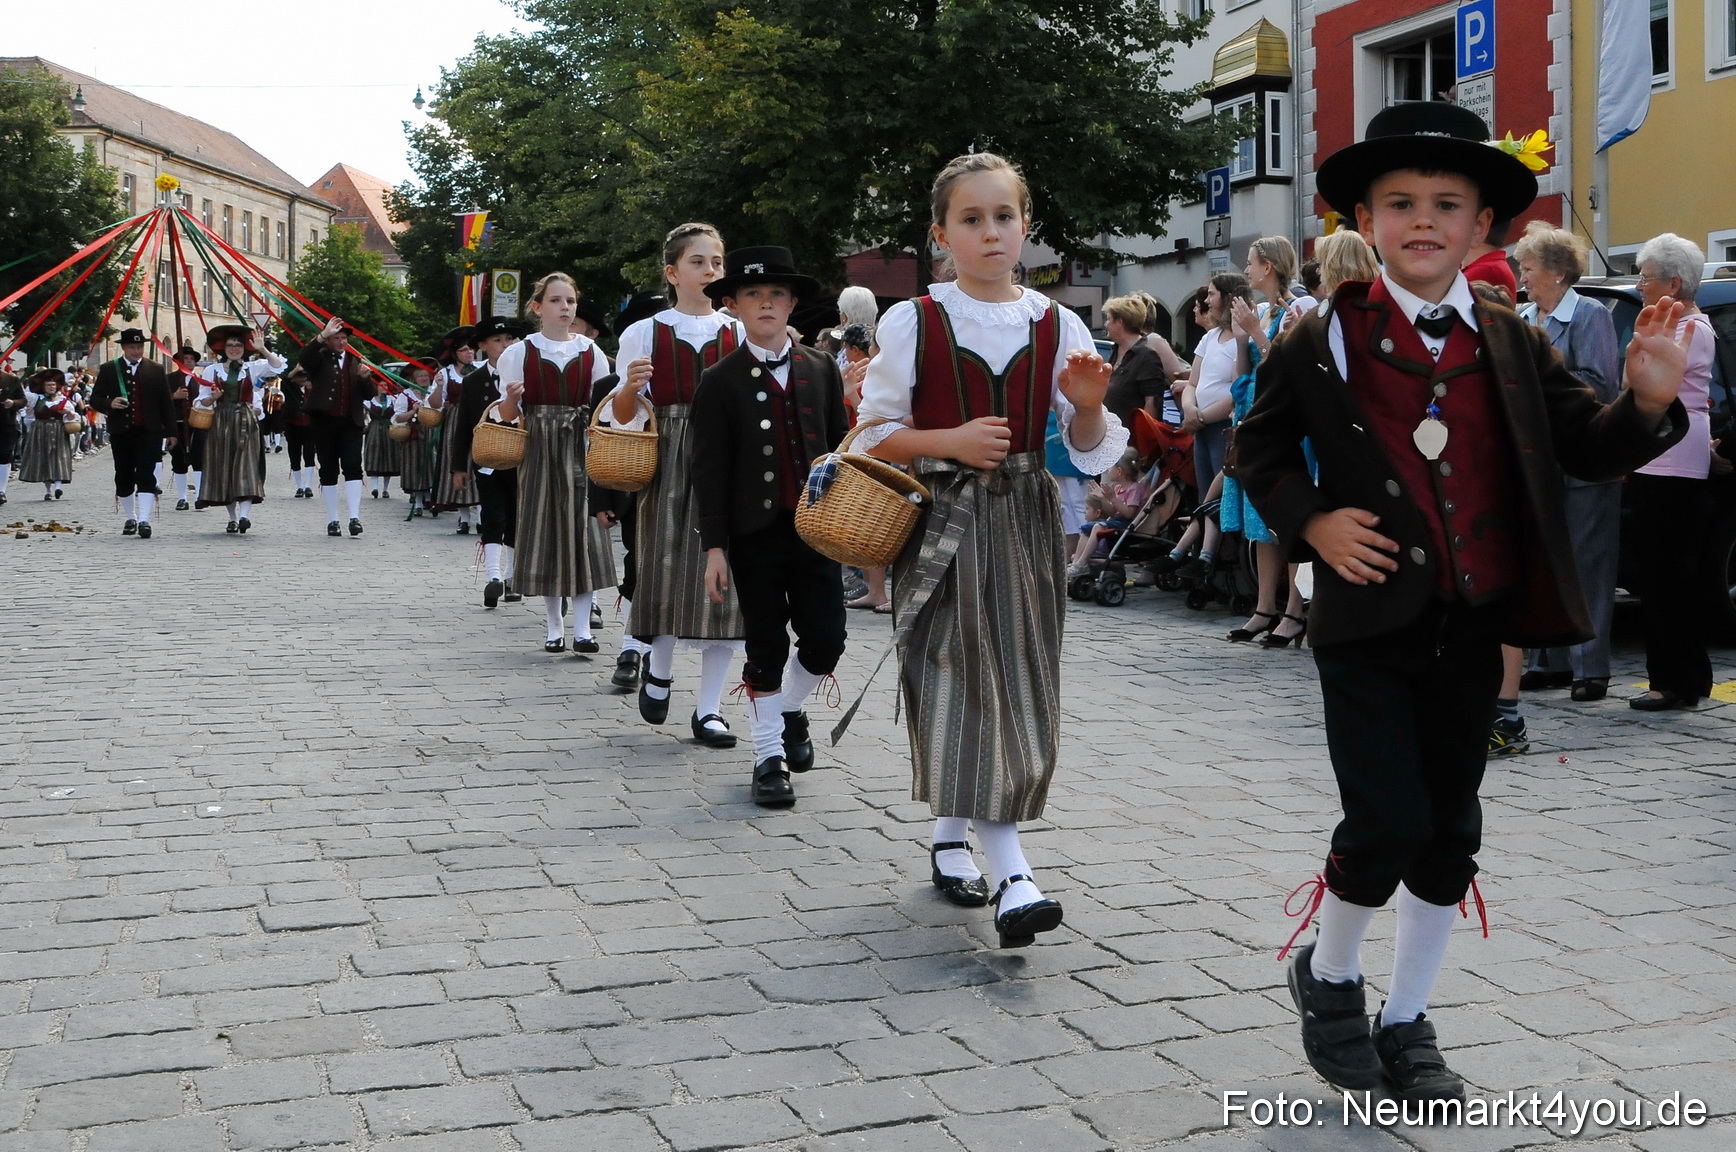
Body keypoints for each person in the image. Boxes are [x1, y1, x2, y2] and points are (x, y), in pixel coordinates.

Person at [1236, 101, 1689, 1103]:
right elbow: (1257, 451)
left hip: (1474, 621)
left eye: (1447, 204)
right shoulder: (1323, 336)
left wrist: (1649, 402)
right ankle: (1331, 974)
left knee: (1449, 832)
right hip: (1364, 621)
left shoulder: (1510, 338)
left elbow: (1587, 446)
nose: (1423, 220)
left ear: (1482, 226)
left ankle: (1407, 1020)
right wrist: (1313, 523)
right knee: (1385, 819)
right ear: (1363, 220)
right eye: (1399, 203)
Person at [856, 152, 1126, 947]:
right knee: (959, 674)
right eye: (971, 219)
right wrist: (950, 440)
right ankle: (1014, 874)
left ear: (1025, 225)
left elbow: (1087, 449)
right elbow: (873, 434)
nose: (991, 232)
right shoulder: (915, 320)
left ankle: (951, 838)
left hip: (1026, 520)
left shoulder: (1057, 323)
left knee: (1015, 678)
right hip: (942, 519)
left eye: (1003, 216)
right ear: (942, 235)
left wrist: (1087, 407)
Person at [690, 246, 851, 807]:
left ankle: (787, 711)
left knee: (827, 639)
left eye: (777, 294)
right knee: (765, 644)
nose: (766, 303)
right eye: (753, 294)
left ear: (792, 304)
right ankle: (768, 757)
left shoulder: (821, 368)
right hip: (753, 535)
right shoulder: (719, 380)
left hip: (816, 529)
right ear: (733, 305)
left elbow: (841, 448)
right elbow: (708, 470)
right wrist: (714, 549)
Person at [610, 224, 747, 748]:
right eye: (698, 262)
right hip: (667, 456)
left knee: (727, 581)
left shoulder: (737, 331)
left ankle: (709, 709)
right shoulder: (645, 332)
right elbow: (622, 415)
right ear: (672, 273)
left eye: (717, 262)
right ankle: (660, 666)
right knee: (665, 565)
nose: (711, 270)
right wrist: (630, 388)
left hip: (727, 456)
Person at [1514, 222, 1624, 707]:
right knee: (1544, 560)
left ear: (1557, 272)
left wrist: (1547, 366)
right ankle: (1547, 661)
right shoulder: (1523, 316)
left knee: (1588, 564)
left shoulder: (1589, 314)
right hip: (1536, 460)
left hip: (1583, 459)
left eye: (1528, 268)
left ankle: (1590, 667)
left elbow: (1602, 386)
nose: (1522, 277)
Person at [495, 273, 616, 654]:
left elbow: (604, 405)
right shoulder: (519, 353)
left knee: (583, 531)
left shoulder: (591, 351)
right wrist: (512, 398)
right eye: (556, 300)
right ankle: (553, 625)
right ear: (538, 307)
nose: (565, 307)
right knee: (547, 530)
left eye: (570, 301)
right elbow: (507, 415)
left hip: (580, 444)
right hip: (539, 446)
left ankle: (583, 629)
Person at [1627, 233, 1717, 712]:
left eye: (1646, 277)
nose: (1640, 285)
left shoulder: (1689, 328)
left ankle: (1672, 680)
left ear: (1674, 283)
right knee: (1666, 572)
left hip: (1671, 457)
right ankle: (1686, 675)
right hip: (1663, 453)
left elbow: (1647, 383)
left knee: (1666, 573)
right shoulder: (1679, 324)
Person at [1224, 237, 1307, 645]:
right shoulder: (1260, 311)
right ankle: (1264, 607)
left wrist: (1256, 333)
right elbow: (1244, 372)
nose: (1246, 270)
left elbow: (1285, 366)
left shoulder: (1295, 309)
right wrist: (1242, 339)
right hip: (1255, 413)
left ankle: (1293, 610)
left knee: (1285, 516)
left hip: (1282, 419)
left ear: (1268, 266)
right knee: (1259, 520)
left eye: (1251, 262)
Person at [449, 317, 523, 607]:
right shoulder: (473, 381)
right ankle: (493, 576)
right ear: (482, 346)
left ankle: (512, 576)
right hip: (487, 458)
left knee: (516, 516)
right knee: (493, 515)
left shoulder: (524, 374)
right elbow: (463, 424)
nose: (504, 345)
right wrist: (459, 466)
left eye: (509, 340)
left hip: (520, 458)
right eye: (497, 341)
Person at [194, 323, 283, 534]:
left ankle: (244, 516)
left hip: (246, 421)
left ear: (245, 348)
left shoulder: (252, 368)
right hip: (221, 422)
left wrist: (263, 349)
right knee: (226, 468)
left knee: (246, 467)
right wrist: (213, 398)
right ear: (223, 348)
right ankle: (233, 518)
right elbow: (201, 401)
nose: (234, 349)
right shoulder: (212, 370)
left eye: (238, 345)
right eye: (230, 345)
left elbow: (278, 366)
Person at [90, 328, 176, 539]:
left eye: (139, 347)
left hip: (149, 431)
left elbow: (166, 403)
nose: (136, 351)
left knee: (146, 474)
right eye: (132, 347)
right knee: (124, 475)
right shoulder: (110, 369)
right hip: (122, 432)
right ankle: (131, 517)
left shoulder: (155, 369)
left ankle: (145, 520)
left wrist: (171, 431)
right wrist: (110, 403)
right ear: (124, 348)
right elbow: (95, 399)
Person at [297, 316, 377, 537]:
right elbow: (304, 357)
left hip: (351, 422)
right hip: (324, 422)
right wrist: (322, 334)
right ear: (328, 341)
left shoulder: (355, 361)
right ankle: (333, 519)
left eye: (344, 338)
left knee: (353, 466)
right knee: (328, 469)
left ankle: (354, 517)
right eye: (336, 338)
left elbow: (369, 394)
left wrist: (365, 379)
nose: (342, 342)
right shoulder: (319, 359)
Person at [1180, 274, 1249, 493]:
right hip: (1201, 429)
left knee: (1220, 494)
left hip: (1221, 427)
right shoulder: (1210, 337)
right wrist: (1189, 409)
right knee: (1205, 493)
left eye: (1212, 295)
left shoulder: (1242, 339)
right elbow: (1192, 383)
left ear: (1228, 297)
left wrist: (1200, 417)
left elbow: (1238, 390)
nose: (1207, 301)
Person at [430, 331, 481, 532]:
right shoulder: (446, 373)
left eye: (471, 349)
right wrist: (438, 386)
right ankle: (464, 519)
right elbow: (435, 404)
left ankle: (481, 517)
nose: (469, 352)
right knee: (458, 464)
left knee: (480, 463)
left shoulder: (482, 368)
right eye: (464, 350)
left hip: (478, 420)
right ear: (455, 354)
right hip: (455, 423)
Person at [1102, 294, 1169, 426]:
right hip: (1112, 432)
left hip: (1133, 435)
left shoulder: (1147, 356)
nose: (1105, 324)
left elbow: (1153, 402)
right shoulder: (1115, 351)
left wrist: (1144, 433)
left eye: (1108, 319)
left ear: (1120, 322)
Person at [18, 369, 74, 500]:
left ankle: (58, 487)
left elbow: (72, 418)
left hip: (59, 431)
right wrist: (23, 380)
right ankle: (48, 490)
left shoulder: (64, 400)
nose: (51, 387)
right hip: (40, 430)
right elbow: (22, 394)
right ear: (43, 387)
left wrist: (68, 413)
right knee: (44, 459)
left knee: (59, 457)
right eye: (48, 385)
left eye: (53, 385)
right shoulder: (36, 398)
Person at [163, 346, 201, 509]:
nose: (189, 361)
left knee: (199, 459)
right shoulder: (169, 379)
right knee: (178, 460)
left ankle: (200, 496)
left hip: (197, 424)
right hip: (176, 424)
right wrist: (173, 396)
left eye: (192, 359)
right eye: (186, 358)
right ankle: (182, 497)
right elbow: (159, 400)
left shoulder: (200, 380)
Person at [280, 366, 316, 499]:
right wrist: (295, 370)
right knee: (294, 456)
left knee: (309, 455)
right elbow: (284, 381)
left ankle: (308, 485)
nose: (302, 379)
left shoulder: (312, 390)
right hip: (293, 426)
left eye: (304, 376)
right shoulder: (290, 388)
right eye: (299, 377)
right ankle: (299, 486)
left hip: (309, 427)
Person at [363, 381, 403, 501]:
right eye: (380, 385)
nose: (383, 387)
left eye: (385, 385)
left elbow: (398, 413)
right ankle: (375, 488)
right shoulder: (369, 401)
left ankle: (385, 489)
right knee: (374, 456)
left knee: (388, 457)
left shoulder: (392, 400)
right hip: (374, 429)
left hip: (389, 429)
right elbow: (363, 415)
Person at [0, 368, 23, 505]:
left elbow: (23, 400)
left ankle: (1, 490)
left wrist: (13, 403)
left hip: (6, 423)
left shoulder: (11, 379)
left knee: (5, 455)